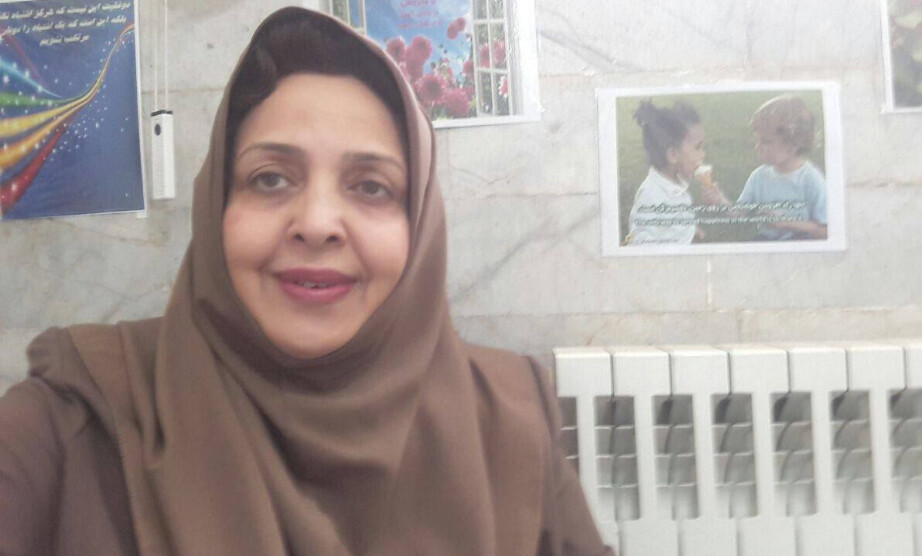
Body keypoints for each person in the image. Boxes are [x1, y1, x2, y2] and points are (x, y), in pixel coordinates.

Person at [0, 8, 612, 556]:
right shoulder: (75, 417)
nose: (317, 224)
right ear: (216, 207)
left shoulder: (509, 421)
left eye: (371, 186)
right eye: (270, 178)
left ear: (420, 225)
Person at [701, 95, 827, 241]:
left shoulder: (811, 179)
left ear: (793, 144)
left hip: (801, 243)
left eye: (765, 141)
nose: (757, 147)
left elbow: (825, 230)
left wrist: (787, 224)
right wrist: (720, 202)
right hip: (767, 240)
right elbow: (741, 214)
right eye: (758, 140)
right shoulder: (759, 177)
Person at [624, 100, 706, 245]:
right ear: (673, 154)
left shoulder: (677, 186)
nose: (703, 155)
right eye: (698, 148)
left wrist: (691, 231)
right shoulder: (651, 195)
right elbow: (639, 242)